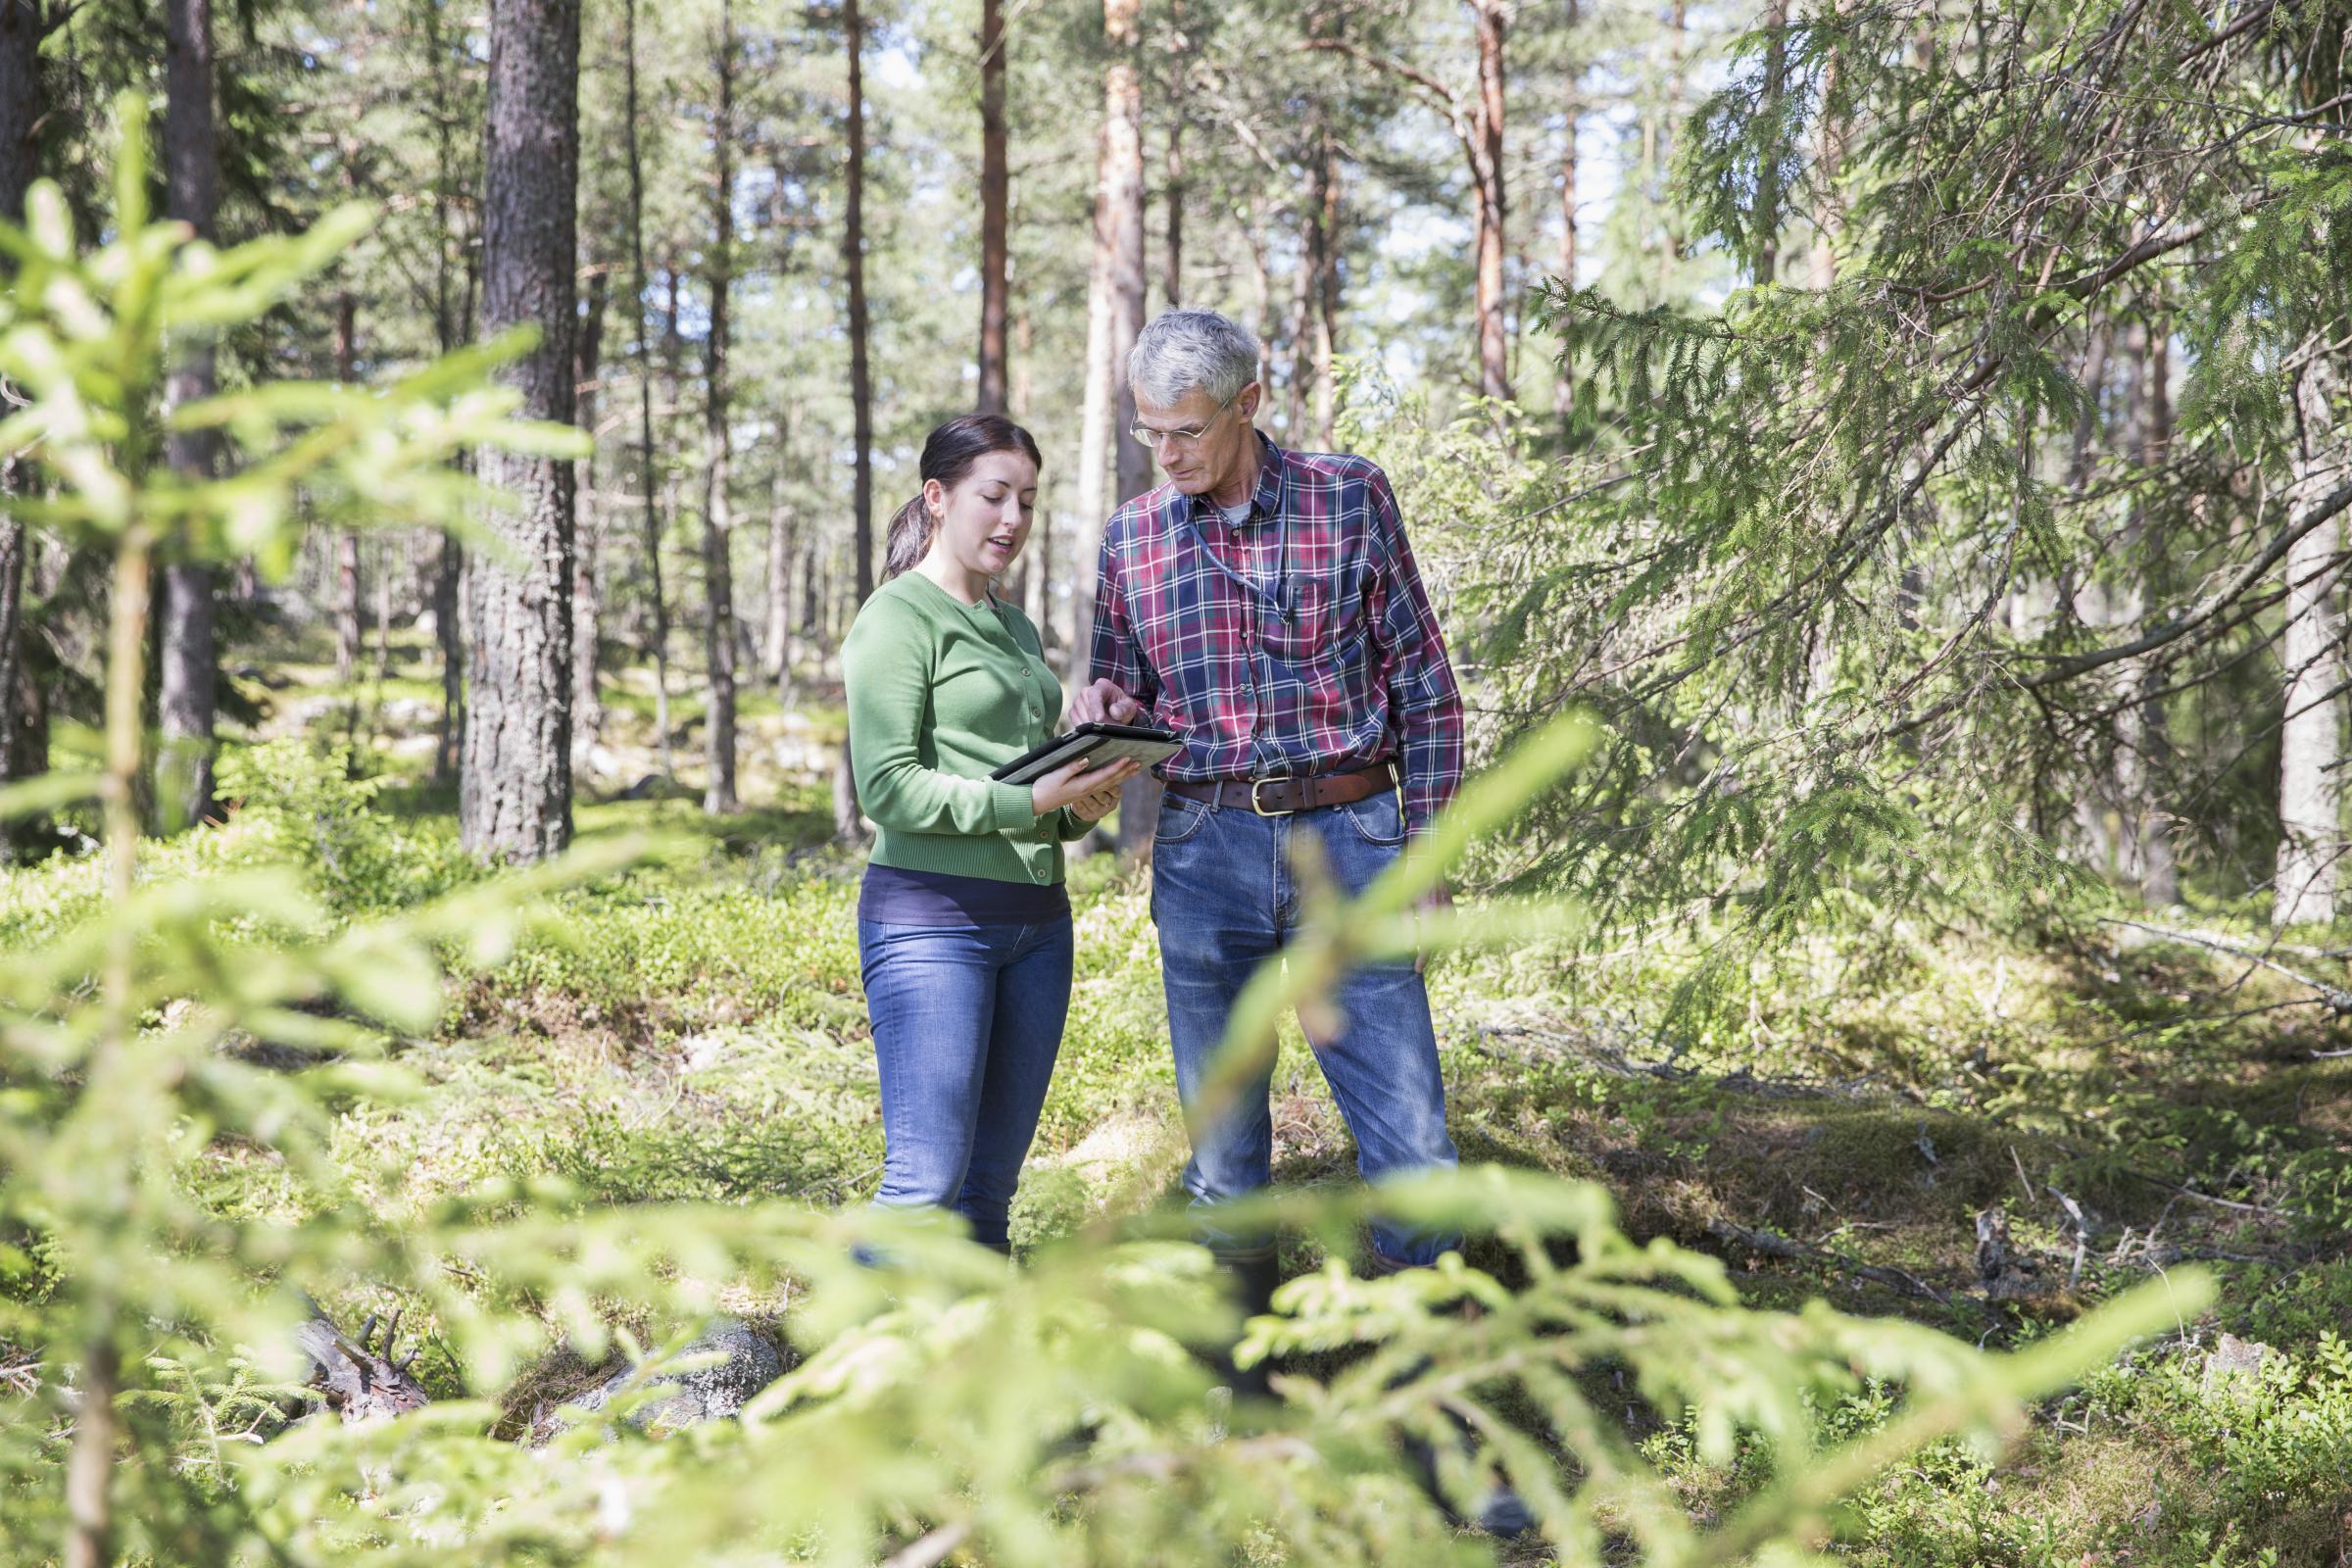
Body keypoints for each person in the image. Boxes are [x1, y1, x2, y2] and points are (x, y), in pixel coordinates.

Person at [1070, 308, 1467, 1292]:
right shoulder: (1132, 540)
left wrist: (1425, 860)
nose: (1164, 452)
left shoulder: (1350, 496)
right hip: (1204, 854)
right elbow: (1127, 698)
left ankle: (1428, 1398)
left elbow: (1426, 689)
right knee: (1222, 1163)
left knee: (1414, 1149)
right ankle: (1235, 1395)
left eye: (1187, 429)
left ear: (1248, 404)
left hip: (1351, 843)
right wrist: (1106, 704)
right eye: (1147, 429)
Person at [843, 414, 1142, 1252]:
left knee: (988, 1191)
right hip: (932, 920)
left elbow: (1027, 782)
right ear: (937, 498)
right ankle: (839, 1368)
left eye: (1027, 500)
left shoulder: (1012, 630)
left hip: (1038, 924)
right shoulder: (896, 617)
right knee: (923, 1184)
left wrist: (1087, 795)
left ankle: (972, 1375)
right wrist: (1031, 802)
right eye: (993, 496)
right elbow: (888, 787)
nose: (1011, 519)